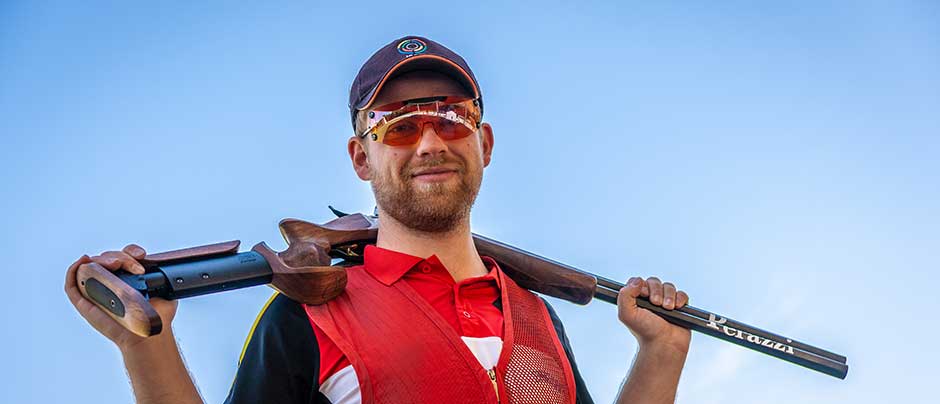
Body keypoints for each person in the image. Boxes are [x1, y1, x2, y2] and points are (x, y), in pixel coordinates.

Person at [65, 36, 692, 404]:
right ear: (361, 158)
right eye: (398, 125)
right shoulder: (307, 314)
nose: (427, 144)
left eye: (450, 118)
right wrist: (143, 344)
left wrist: (661, 351)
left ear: (486, 143)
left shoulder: (537, 314)